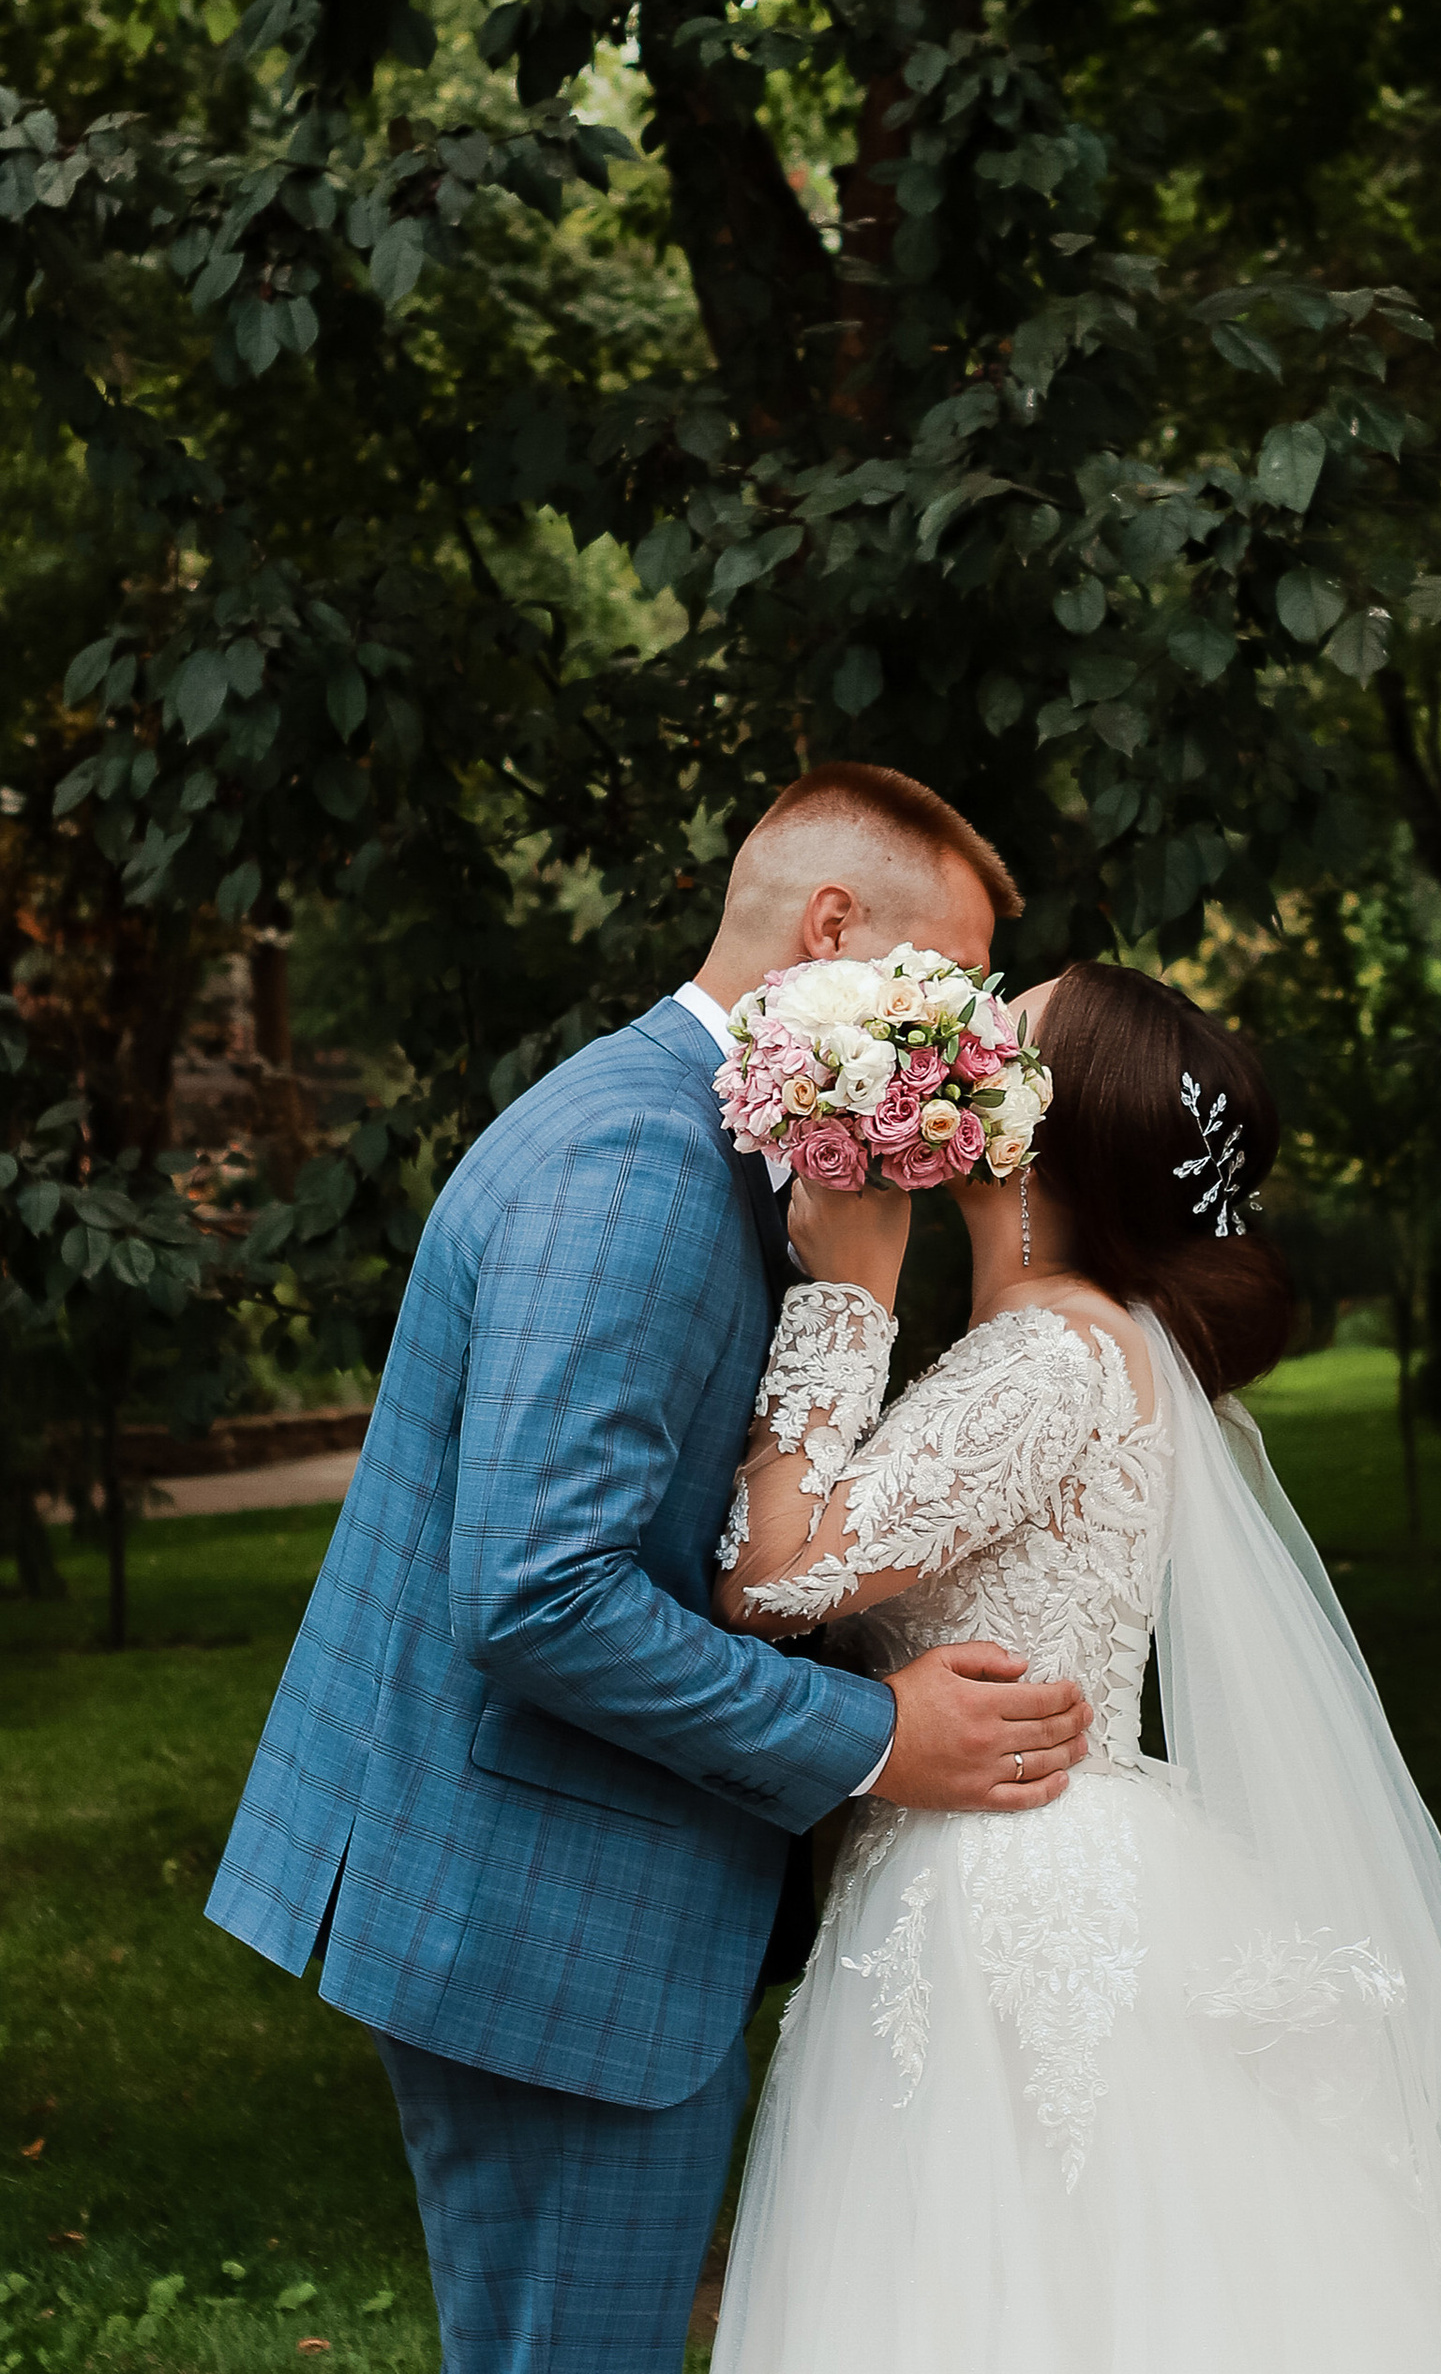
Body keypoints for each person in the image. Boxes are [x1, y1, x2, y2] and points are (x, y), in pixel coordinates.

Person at [205, 764, 1092, 2374]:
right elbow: (544, 1592)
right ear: (832, 931)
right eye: (950, 982)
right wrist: (880, 1738)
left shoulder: (683, 1133)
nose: (966, 1031)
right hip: (547, 1925)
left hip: (554, 1890)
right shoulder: (634, 1167)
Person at [708, 958, 1441, 2374]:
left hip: (1003, 1893)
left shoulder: (1053, 1360)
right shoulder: (1070, 1340)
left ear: (1038, 1135)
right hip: (1033, 1859)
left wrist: (847, 1295)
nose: (963, 1049)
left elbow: (772, 1577)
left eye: (1002, 1038)